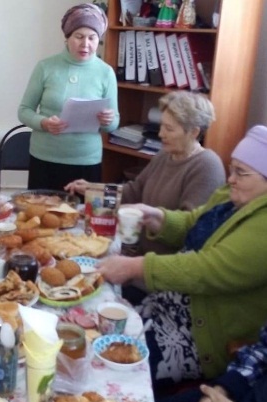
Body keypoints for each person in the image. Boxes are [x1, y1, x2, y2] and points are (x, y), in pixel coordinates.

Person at [96, 125, 267, 388]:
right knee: (96, 334)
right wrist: (156, 217)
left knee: (110, 372)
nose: (231, 178)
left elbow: (206, 270)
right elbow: (192, 222)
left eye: (241, 173)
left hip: (192, 336)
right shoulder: (231, 197)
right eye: (232, 169)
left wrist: (136, 267)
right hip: (161, 306)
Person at [65, 91, 226, 255]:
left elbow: (191, 231)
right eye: (161, 126)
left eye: (169, 129)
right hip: (139, 252)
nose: (160, 134)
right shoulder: (164, 155)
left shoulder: (207, 166)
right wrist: (94, 190)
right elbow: (134, 191)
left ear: (194, 132)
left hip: (167, 262)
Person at [18, 3, 120, 191]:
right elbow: (24, 111)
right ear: (67, 38)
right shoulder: (45, 67)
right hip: (44, 158)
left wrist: (107, 120)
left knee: (81, 210)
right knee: (41, 208)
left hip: (86, 160)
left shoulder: (106, 72)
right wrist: (44, 123)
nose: (85, 44)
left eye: (92, 38)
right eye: (79, 37)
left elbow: (113, 123)